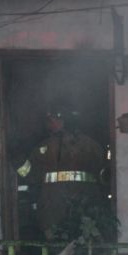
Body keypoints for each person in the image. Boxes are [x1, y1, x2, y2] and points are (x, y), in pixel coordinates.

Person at [17, 101, 108, 240]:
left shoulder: (44, 147)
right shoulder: (92, 145)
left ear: (60, 120)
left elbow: (30, 176)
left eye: (50, 120)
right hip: (84, 209)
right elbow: (103, 175)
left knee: (58, 251)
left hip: (54, 210)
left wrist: (17, 161)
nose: (48, 124)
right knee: (85, 249)